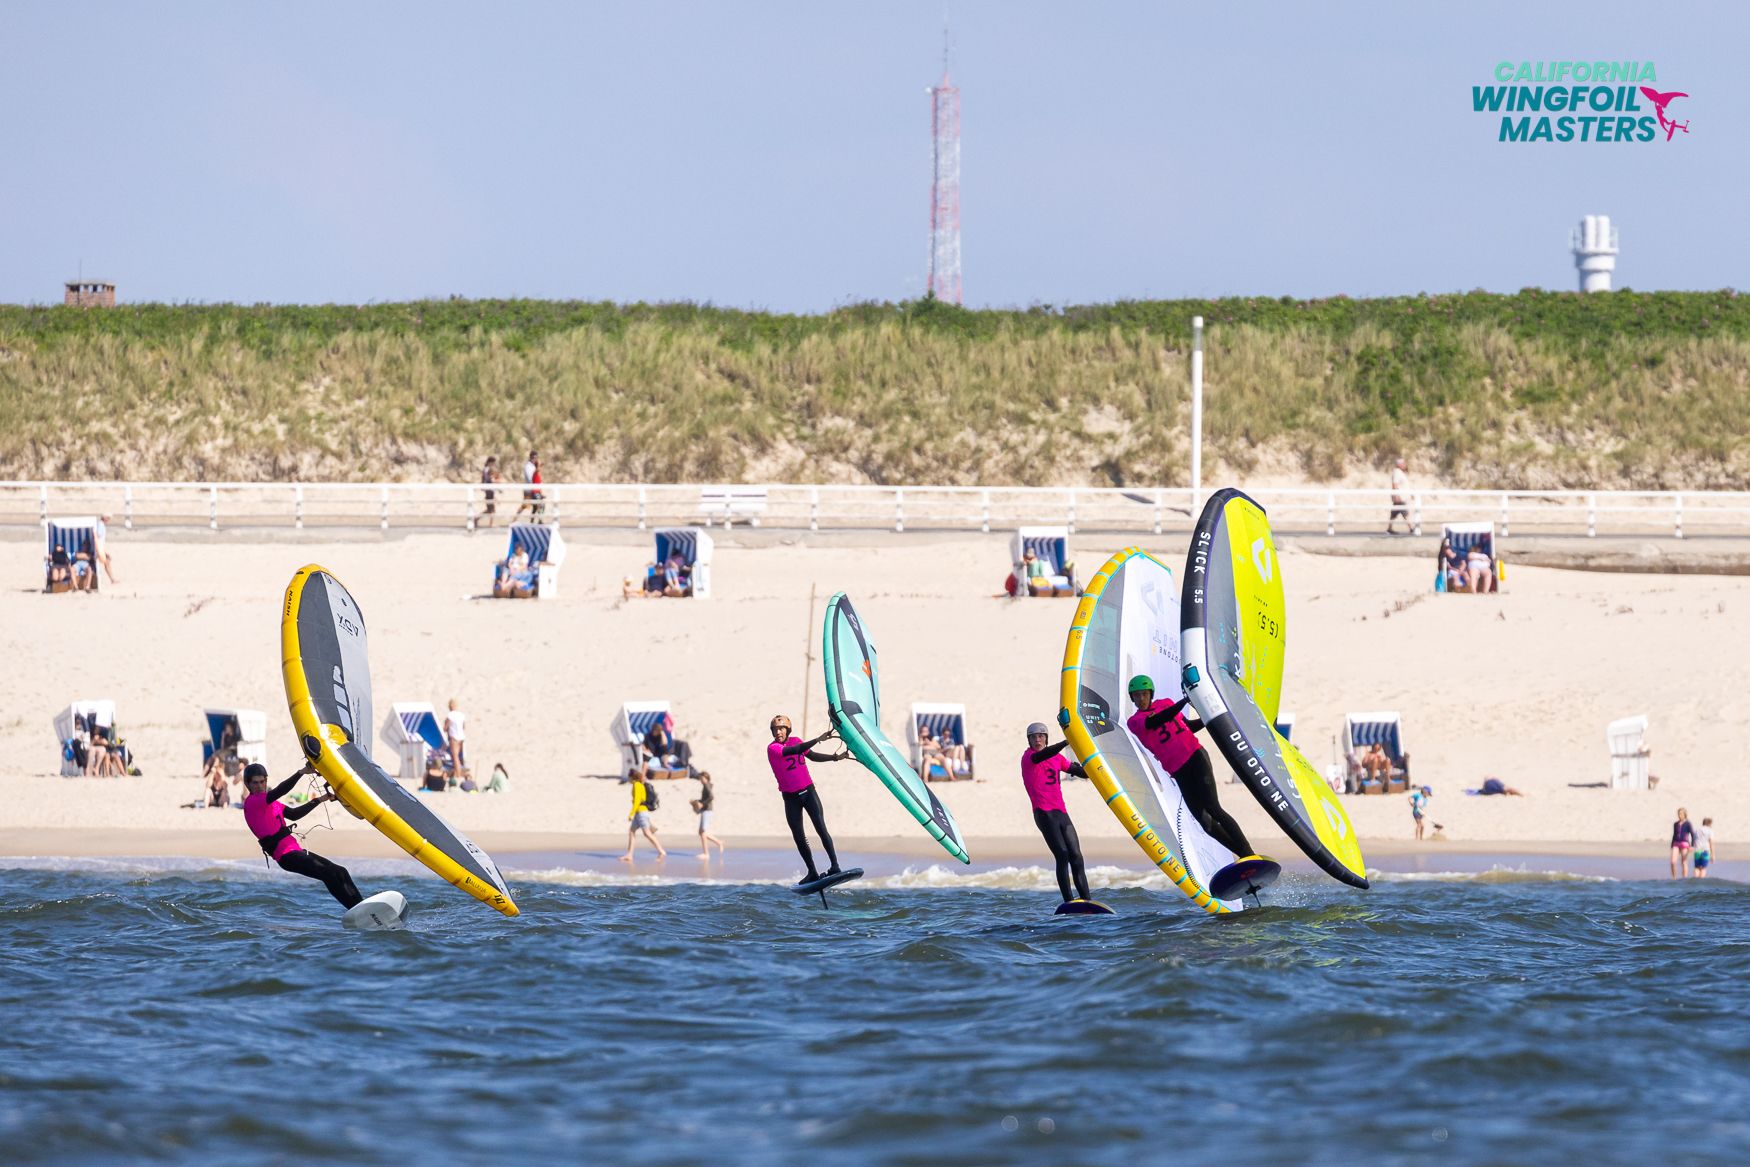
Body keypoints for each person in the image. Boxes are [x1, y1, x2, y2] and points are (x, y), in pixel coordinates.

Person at [1125, 675, 1255, 859]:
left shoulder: (1166, 703)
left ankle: (1248, 852)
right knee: (1204, 821)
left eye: (1144, 694)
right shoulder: (1135, 721)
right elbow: (1157, 721)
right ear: (1132, 698)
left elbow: (1187, 726)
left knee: (1213, 808)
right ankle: (1243, 854)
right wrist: (1185, 700)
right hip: (1178, 771)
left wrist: (1209, 718)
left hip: (1196, 757)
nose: (1141, 699)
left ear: (1150, 694)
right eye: (1136, 696)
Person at [241, 762, 363, 910]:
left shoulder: (272, 804)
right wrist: (302, 772)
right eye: (255, 783)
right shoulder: (253, 802)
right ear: (248, 784)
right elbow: (280, 790)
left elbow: (294, 815)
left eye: (262, 782)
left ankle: (362, 906)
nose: (260, 786)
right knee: (328, 874)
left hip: (294, 850)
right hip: (285, 856)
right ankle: (356, 909)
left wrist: (320, 799)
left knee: (340, 871)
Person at [766, 714, 851, 885]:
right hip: (790, 798)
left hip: (808, 792)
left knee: (821, 828)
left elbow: (811, 756)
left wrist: (834, 758)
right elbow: (794, 750)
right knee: (799, 836)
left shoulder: (796, 739)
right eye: (775, 729)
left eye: (781, 729)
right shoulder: (772, 748)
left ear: (788, 730)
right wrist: (818, 739)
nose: (778, 732)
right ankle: (812, 871)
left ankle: (835, 866)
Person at [1021, 722, 1091, 903]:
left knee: (1076, 856)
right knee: (1062, 855)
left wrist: (1094, 764)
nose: (1038, 740)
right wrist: (1067, 742)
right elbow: (1044, 754)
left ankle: (1087, 901)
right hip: (1044, 814)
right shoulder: (1028, 758)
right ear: (1028, 740)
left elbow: (1082, 772)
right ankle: (1068, 902)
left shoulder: (1057, 759)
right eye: (1034, 737)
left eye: (1041, 736)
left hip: (1061, 813)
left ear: (1046, 738)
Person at [620, 768, 666, 861]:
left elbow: (637, 801)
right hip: (639, 812)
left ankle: (661, 851)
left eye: (629, 777)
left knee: (647, 833)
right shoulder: (639, 784)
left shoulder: (637, 785)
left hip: (641, 812)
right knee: (632, 831)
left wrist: (631, 814)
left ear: (631, 777)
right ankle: (629, 854)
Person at [690, 771, 725, 859]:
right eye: (700, 779)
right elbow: (705, 798)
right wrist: (696, 801)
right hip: (706, 810)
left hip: (707, 810)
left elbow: (711, 797)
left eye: (702, 778)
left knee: (702, 832)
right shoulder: (707, 785)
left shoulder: (706, 785)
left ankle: (706, 853)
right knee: (701, 832)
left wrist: (702, 804)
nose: (701, 780)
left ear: (706, 778)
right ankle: (718, 843)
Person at [515, 450, 544, 521]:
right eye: (534, 458)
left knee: (536, 505)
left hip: (534, 490)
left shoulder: (533, 466)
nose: (536, 459)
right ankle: (515, 519)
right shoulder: (528, 466)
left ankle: (536, 520)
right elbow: (530, 479)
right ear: (531, 457)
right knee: (525, 506)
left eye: (537, 458)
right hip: (529, 490)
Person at [444, 698, 468, 779]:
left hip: (454, 738)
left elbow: (445, 728)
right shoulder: (461, 715)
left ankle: (458, 775)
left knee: (455, 757)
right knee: (460, 757)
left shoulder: (450, 715)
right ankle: (458, 773)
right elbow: (464, 727)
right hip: (461, 737)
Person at [1386, 457, 1411, 535]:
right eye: (1403, 464)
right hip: (1400, 497)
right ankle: (1411, 528)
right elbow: (1395, 484)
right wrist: (1396, 495)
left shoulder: (1400, 472)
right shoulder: (1397, 472)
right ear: (1399, 465)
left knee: (1394, 513)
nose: (1404, 465)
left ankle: (1389, 528)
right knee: (1405, 513)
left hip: (1400, 497)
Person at [92, 515, 118, 585]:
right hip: (98, 548)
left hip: (99, 548)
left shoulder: (100, 525)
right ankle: (112, 579)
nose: (109, 520)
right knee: (107, 562)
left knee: (107, 561)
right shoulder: (100, 525)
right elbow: (98, 536)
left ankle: (112, 579)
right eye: (108, 518)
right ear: (105, 518)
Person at [1671, 807, 1695, 878]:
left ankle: (1684, 878)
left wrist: (1692, 846)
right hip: (1676, 843)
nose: (1679, 815)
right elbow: (1674, 834)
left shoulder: (1688, 823)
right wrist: (1672, 845)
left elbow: (1693, 834)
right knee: (1673, 861)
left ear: (1685, 814)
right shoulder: (1676, 824)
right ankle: (1674, 878)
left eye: (1681, 814)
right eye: (1678, 814)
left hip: (1684, 844)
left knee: (1684, 862)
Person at [480, 456, 503, 527]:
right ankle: (491, 524)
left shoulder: (486, 469)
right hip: (489, 490)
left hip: (489, 490)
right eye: (493, 462)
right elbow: (489, 480)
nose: (494, 464)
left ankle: (476, 519)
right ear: (490, 462)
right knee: (492, 509)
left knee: (490, 509)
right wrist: (498, 481)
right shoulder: (487, 469)